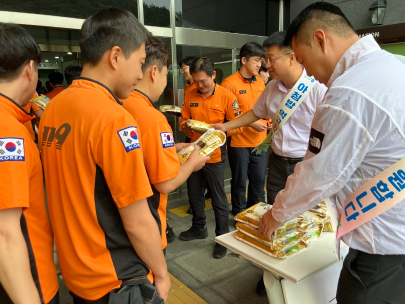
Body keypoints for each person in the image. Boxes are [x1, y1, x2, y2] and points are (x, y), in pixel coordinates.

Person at [259, 2, 405, 303]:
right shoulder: (394, 66)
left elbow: (316, 175)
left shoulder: (346, 93)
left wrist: (276, 215)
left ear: (321, 40)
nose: (307, 71)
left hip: (383, 248)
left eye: (301, 58)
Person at [39, 8, 170, 303]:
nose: (140, 74)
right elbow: (136, 219)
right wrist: (161, 273)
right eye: (138, 63)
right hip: (115, 277)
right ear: (114, 57)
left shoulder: (53, 108)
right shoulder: (114, 119)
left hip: (76, 272)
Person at [213, 31, 326, 295]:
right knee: (276, 216)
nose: (266, 64)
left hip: (304, 165)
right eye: (265, 58)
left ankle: (303, 275)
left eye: (271, 58)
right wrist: (225, 126)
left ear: (292, 57)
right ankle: (273, 275)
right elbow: (255, 113)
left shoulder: (316, 88)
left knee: (303, 219)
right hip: (276, 164)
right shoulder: (271, 88)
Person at [121, 37, 209, 246]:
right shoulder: (153, 118)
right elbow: (166, 183)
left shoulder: (120, 103)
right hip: (146, 216)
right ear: (154, 72)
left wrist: (170, 147)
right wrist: (192, 163)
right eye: (166, 73)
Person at [0, 22, 59, 304]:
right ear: (29, 70)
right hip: (28, 278)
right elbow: (4, 234)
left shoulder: (16, 120)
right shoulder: (8, 133)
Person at [179, 57, 243, 259]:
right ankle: (198, 227)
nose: (199, 85)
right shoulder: (190, 94)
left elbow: (238, 125)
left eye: (203, 81)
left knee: (218, 198)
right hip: (193, 152)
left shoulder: (227, 96)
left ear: (213, 75)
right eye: (196, 81)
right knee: (194, 194)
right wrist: (186, 126)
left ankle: (222, 237)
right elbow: (183, 119)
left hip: (214, 155)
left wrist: (220, 133)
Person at [221, 42, 268, 216]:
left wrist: (267, 121)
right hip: (239, 142)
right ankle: (240, 213)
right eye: (256, 60)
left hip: (260, 141)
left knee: (258, 179)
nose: (259, 65)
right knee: (240, 181)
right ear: (243, 60)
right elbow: (228, 115)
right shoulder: (229, 84)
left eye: (260, 61)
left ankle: (256, 212)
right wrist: (251, 123)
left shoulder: (260, 83)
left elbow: (264, 108)